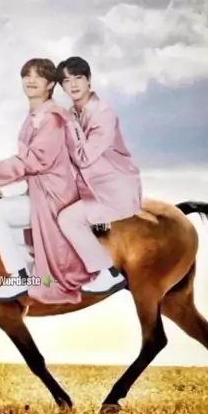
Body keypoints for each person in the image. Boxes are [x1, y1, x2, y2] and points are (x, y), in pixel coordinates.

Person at [0, 57, 98, 303]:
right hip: (41, 191)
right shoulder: (36, 115)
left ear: (50, 84)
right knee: (2, 216)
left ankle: (20, 277)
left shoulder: (52, 118)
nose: (31, 80)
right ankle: (28, 274)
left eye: (39, 76)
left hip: (53, 196)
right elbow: (29, 164)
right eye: (27, 75)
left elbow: (35, 160)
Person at [55, 55, 143, 296]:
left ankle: (107, 273)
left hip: (115, 191)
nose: (73, 85)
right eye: (66, 81)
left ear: (89, 80)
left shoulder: (104, 115)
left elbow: (83, 158)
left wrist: (69, 124)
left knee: (68, 220)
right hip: (92, 189)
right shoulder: (73, 113)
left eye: (78, 78)